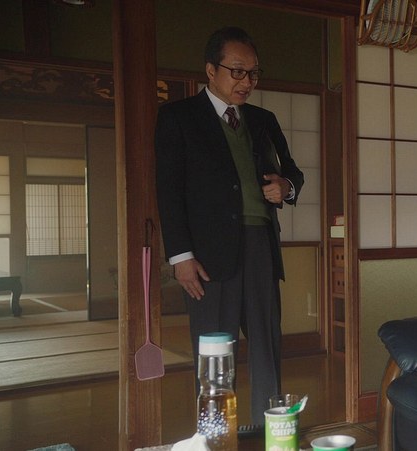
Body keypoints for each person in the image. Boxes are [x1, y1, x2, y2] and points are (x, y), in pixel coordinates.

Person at [155, 26, 304, 429]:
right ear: (211, 70)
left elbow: (292, 171)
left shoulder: (263, 120)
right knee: (214, 351)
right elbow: (168, 191)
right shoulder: (178, 117)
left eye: (253, 73)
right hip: (206, 254)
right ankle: (216, 434)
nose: (247, 82)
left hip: (260, 245)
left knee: (266, 345)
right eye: (237, 71)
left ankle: (271, 430)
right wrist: (181, 257)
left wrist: (286, 186)